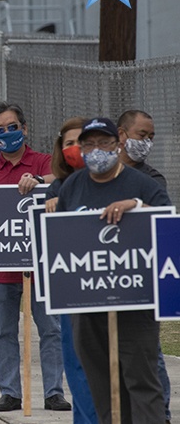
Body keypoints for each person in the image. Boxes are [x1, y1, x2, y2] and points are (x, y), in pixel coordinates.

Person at [56, 117, 170, 423]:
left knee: (141, 382)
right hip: (87, 303)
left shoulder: (142, 185)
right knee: (101, 385)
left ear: (117, 144)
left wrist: (136, 205)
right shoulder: (73, 186)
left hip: (136, 302)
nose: (96, 150)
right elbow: (61, 239)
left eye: (103, 143)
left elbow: (168, 227)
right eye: (89, 144)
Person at [0, 102, 70, 412]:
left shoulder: (44, 163)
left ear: (24, 129)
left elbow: (62, 187)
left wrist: (40, 183)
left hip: (41, 264)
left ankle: (53, 392)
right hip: (0, 267)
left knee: (51, 329)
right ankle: (10, 392)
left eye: (12, 128)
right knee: (4, 332)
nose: (6, 134)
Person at [117, 110, 172, 423]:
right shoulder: (101, 175)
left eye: (151, 137)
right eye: (142, 135)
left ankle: (158, 413)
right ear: (122, 135)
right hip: (103, 278)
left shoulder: (151, 180)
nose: (147, 143)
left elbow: (163, 214)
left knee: (149, 354)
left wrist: (136, 205)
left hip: (140, 277)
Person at [44, 117, 97, 424]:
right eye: (69, 144)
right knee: (77, 365)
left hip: (113, 289)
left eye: (84, 142)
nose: (77, 149)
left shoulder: (120, 182)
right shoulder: (58, 188)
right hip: (72, 292)